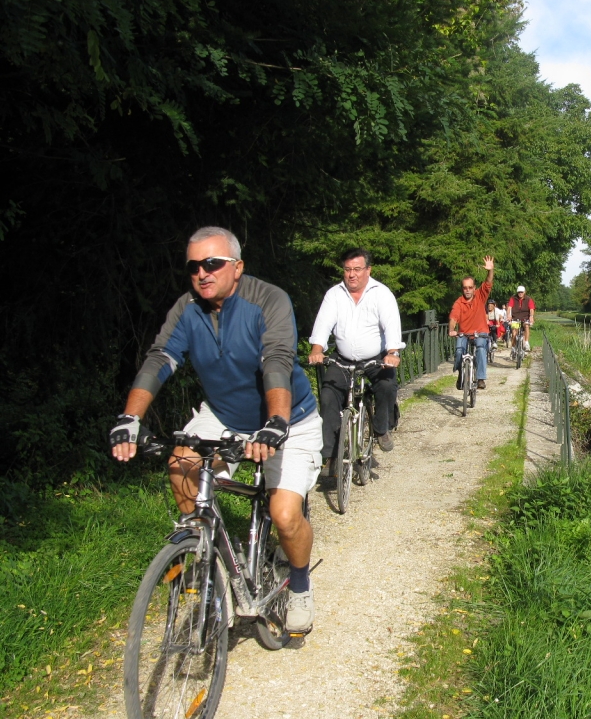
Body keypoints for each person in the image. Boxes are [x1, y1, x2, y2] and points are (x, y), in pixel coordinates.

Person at [109, 226, 322, 634]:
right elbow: (161, 358)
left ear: (237, 267)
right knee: (181, 464)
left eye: (212, 263)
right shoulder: (187, 309)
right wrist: (130, 418)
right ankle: (212, 567)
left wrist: (275, 423)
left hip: (288, 420)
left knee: (284, 513)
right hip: (225, 415)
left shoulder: (268, 299)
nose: (202, 273)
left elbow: (276, 360)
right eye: (194, 266)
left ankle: (299, 586)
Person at [309, 248, 403, 456]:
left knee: (387, 386)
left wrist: (393, 352)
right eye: (347, 269)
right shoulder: (334, 294)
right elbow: (323, 324)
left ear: (368, 270)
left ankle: (381, 429)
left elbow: (391, 326)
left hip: (375, 358)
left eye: (357, 269)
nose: (352, 274)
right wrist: (317, 349)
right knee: (327, 396)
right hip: (343, 358)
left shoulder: (381, 293)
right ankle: (331, 454)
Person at [449, 256, 495, 390]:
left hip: (480, 333)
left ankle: (480, 378)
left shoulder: (480, 296)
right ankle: (460, 373)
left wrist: (490, 270)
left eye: (470, 287)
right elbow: (453, 318)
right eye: (465, 288)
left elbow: (488, 282)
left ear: (474, 287)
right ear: (462, 289)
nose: (467, 290)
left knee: (481, 348)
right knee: (458, 351)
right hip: (464, 333)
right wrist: (452, 329)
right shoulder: (459, 302)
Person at [507, 284, 535, 351]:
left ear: (524, 292)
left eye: (521, 292)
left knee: (526, 326)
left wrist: (531, 316)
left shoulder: (528, 299)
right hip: (515, 318)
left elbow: (531, 309)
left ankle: (526, 342)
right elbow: (509, 308)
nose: (520, 293)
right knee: (514, 334)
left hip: (525, 318)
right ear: (517, 292)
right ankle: (513, 348)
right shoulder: (513, 298)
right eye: (519, 292)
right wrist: (508, 315)